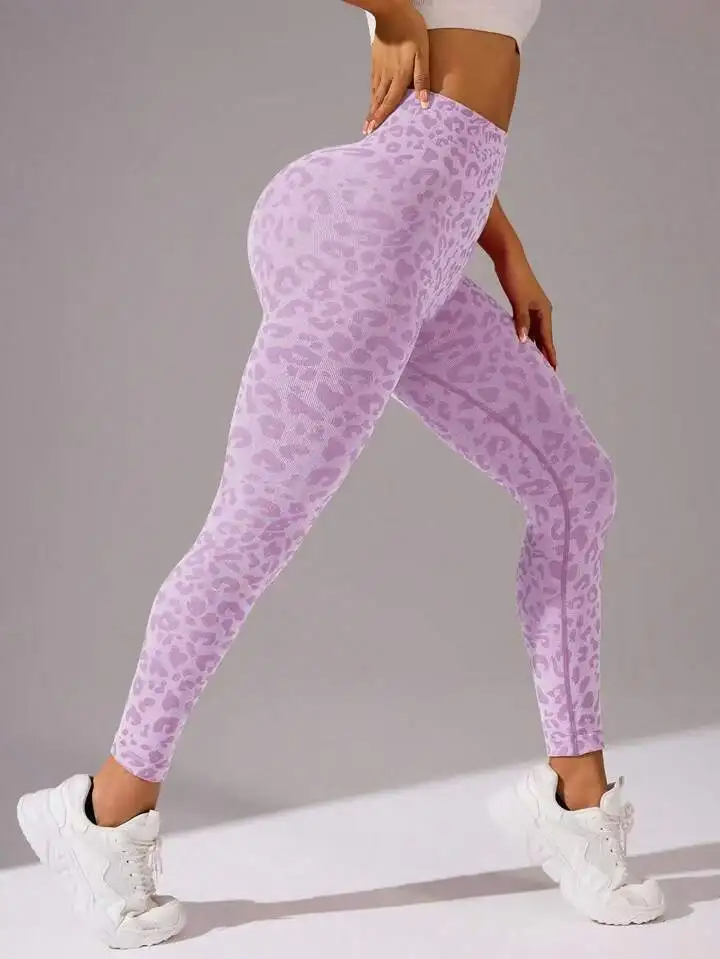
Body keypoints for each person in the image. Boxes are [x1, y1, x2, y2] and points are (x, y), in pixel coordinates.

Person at [16, 0, 666, 948]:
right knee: (252, 530)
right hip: (360, 237)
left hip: (420, 242)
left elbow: (443, 123)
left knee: (576, 485)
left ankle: (575, 804)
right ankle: (102, 815)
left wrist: (509, 251)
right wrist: (393, 10)